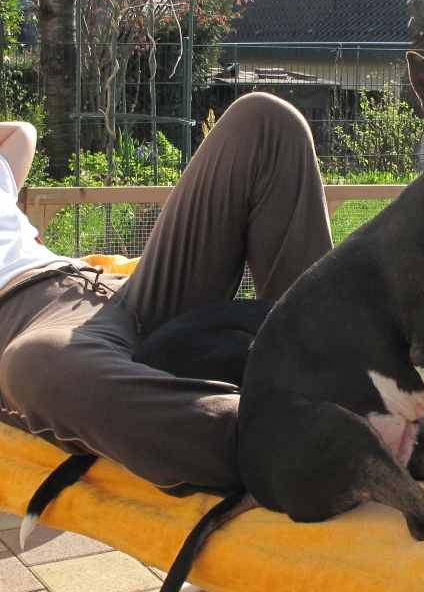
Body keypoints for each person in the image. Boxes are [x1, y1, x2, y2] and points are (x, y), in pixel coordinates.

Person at [0, 93, 333, 496]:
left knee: (265, 121)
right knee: (34, 365)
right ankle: (314, 441)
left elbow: (21, 133)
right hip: (27, 325)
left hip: (113, 286)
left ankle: (334, 372)